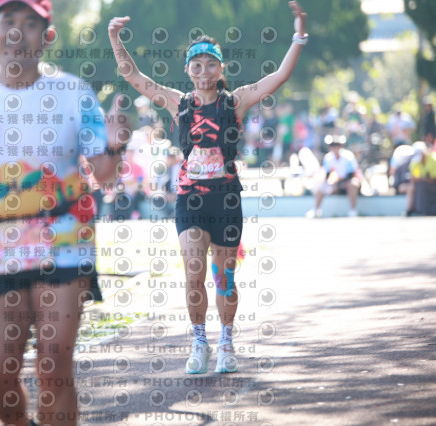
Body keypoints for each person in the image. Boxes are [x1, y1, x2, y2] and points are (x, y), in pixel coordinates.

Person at [0, 1, 123, 424]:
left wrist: (115, 144)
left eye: (31, 23)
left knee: (54, 365)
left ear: (47, 36)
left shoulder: (73, 92)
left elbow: (105, 174)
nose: (18, 32)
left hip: (65, 238)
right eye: (9, 21)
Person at [108, 1, 307, 374]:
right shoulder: (178, 103)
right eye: (196, 65)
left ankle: (226, 343)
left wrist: (299, 35)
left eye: (210, 64)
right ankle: (199, 342)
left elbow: (279, 76)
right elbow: (133, 76)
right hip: (190, 200)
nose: (203, 71)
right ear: (188, 69)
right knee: (194, 272)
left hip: (226, 199)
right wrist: (115, 37)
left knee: (224, 278)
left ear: (221, 68)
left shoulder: (236, 101)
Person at [306, 135, 360, 218]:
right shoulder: (328, 158)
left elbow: (351, 175)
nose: (335, 148)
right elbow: (327, 175)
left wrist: (340, 182)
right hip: (336, 183)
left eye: (337, 145)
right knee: (321, 186)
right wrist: (332, 182)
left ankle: (353, 210)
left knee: (353, 184)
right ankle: (316, 209)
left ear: (341, 146)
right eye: (332, 145)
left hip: (347, 182)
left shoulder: (348, 156)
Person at [406, 141, 436, 216]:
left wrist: (421, 179)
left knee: (422, 186)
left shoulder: (434, 159)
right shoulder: (415, 162)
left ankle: (428, 211)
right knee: (414, 186)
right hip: (424, 182)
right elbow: (415, 176)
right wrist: (417, 179)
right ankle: (413, 209)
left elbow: (434, 178)